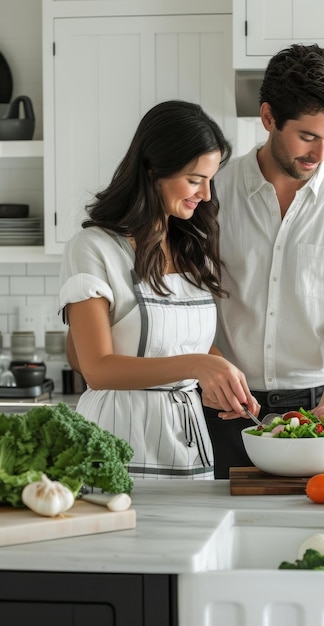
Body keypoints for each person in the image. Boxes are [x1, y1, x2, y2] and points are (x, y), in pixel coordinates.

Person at [202, 44, 324, 478]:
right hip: (228, 413)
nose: (320, 155)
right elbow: (186, 308)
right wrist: (211, 369)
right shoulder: (210, 197)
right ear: (268, 118)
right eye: (308, 136)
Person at [59, 100, 260, 481]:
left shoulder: (189, 247)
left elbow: (188, 344)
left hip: (187, 443)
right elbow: (97, 368)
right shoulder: (94, 248)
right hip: (115, 442)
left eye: (210, 180)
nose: (204, 194)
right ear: (153, 170)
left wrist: (220, 375)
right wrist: (199, 365)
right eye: (194, 179)